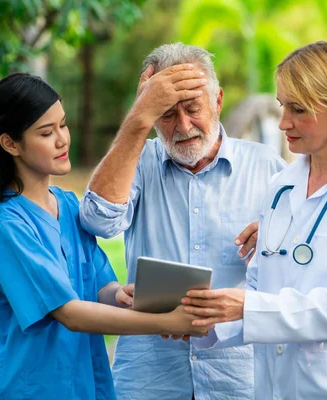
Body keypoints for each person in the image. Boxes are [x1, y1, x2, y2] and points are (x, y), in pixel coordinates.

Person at [183, 41, 327, 399]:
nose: (284, 123)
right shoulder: (281, 187)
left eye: (299, 109)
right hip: (278, 385)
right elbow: (262, 288)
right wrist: (210, 319)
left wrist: (247, 307)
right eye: (282, 106)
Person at [0, 73, 208, 400]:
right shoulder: (8, 224)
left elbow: (99, 287)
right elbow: (69, 313)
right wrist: (166, 322)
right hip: (22, 389)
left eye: (63, 125)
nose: (63, 140)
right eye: (47, 132)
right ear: (10, 143)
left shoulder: (67, 204)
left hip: (81, 386)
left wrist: (124, 295)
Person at [79, 43, 286, 399]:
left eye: (192, 109)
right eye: (166, 113)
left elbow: (299, 263)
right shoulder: (137, 161)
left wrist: (277, 237)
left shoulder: (268, 166)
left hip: (239, 374)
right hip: (149, 373)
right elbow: (98, 221)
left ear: (218, 101)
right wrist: (137, 119)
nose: (183, 126)